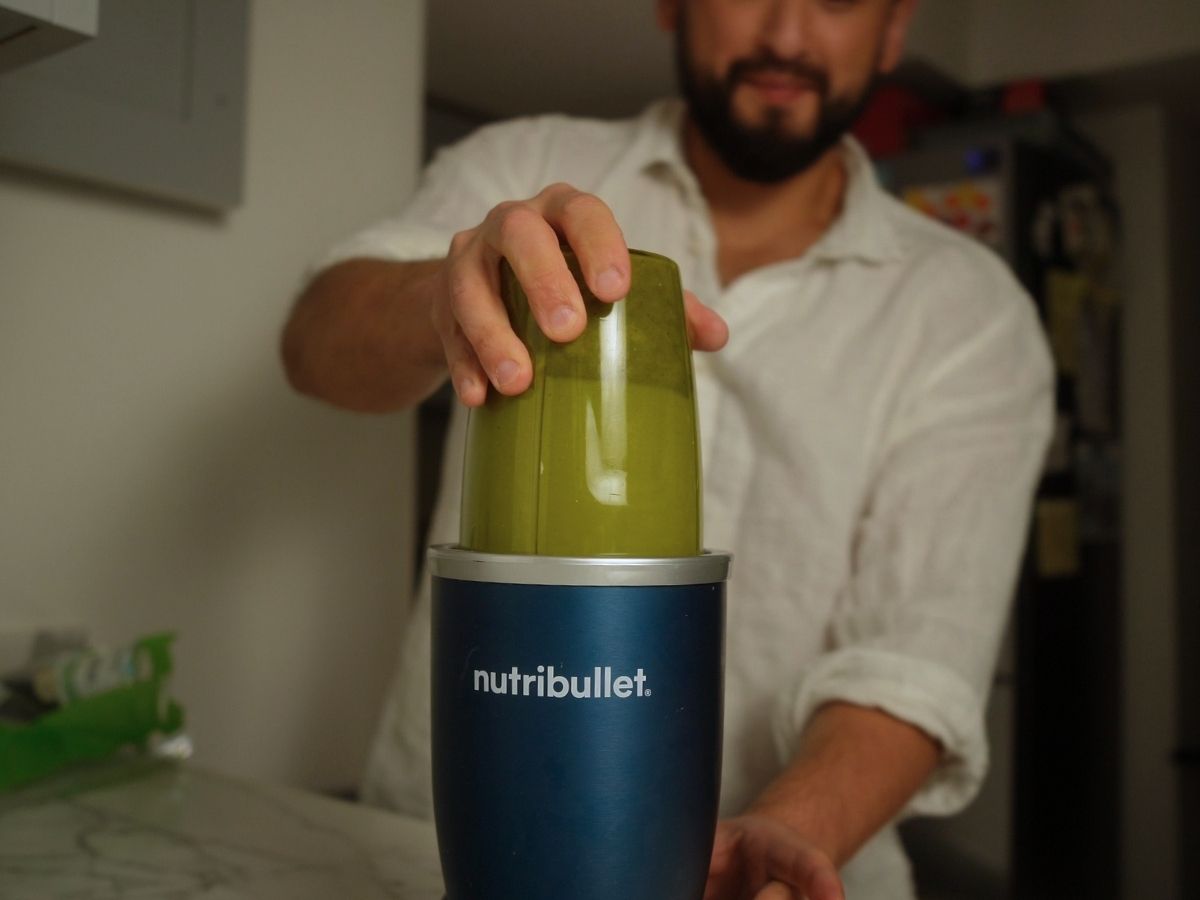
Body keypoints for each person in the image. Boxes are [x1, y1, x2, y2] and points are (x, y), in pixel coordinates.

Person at [281, 1, 1053, 897]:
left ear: (891, 30)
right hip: (435, 854)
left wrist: (788, 829)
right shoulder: (521, 166)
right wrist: (446, 301)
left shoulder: (967, 311)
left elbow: (916, 657)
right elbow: (316, 346)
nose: (786, 35)